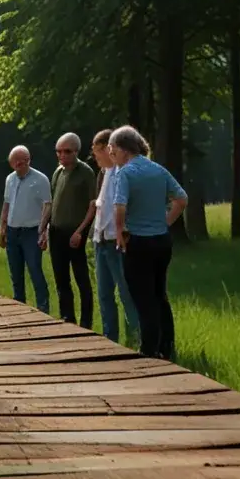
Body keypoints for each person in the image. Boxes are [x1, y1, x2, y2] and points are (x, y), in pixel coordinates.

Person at [110, 125, 188, 361]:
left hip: (139, 243)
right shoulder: (158, 170)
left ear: (123, 150)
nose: (112, 157)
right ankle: (167, 346)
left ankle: (149, 351)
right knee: (159, 294)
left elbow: (120, 206)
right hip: (162, 241)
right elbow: (182, 199)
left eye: (112, 152)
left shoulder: (125, 173)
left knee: (143, 298)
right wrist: (164, 222)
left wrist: (120, 232)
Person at [91, 128, 139, 345]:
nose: (96, 156)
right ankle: (111, 339)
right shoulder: (103, 174)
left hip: (117, 243)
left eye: (96, 151)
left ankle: (136, 338)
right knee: (104, 294)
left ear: (106, 149)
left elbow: (124, 208)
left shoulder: (123, 173)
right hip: (101, 242)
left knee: (127, 293)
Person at [46, 132, 96, 329]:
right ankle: (67, 317)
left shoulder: (85, 173)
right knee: (61, 278)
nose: (62, 155)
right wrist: (44, 229)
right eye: (58, 151)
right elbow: (51, 203)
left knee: (81, 277)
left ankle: (86, 322)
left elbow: (93, 205)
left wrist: (80, 231)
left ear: (76, 151)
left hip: (76, 232)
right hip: (56, 231)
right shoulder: (58, 172)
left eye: (67, 151)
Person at [0, 145, 52, 313]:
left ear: (29, 160)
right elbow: (6, 204)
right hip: (13, 231)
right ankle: (19, 306)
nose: (20, 165)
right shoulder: (10, 179)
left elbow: (47, 205)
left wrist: (43, 230)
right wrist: (2, 229)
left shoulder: (41, 179)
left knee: (35, 269)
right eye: (16, 162)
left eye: (24, 161)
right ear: (11, 163)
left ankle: (43, 308)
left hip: (31, 231)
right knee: (15, 271)